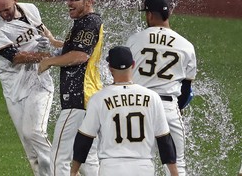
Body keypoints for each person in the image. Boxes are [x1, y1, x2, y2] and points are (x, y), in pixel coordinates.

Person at [0, 0, 63, 176]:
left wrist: (54, 43)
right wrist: (46, 54)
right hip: (12, 87)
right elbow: (15, 56)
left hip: (37, 78)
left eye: (7, 9)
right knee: (31, 151)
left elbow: (46, 35)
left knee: (33, 132)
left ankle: (63, 171)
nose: (4, 15)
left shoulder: (31, 9)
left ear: (15, 0)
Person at [70, 46, 179, 176]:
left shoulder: (98, 99)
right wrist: (174, 174)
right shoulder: (152, 97)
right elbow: (165, 141)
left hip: (111, 168)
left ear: (110, 68)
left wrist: (73, 171)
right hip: (143, 168)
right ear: (133, 64)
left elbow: (84, 140)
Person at [126, 0, 197, 176]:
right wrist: (176, 108)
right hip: (168, 108)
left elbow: (124, 79)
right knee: (177, 163)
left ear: (150, 15)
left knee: (140, 162)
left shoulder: (135, 40)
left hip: (139, 107)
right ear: (168, 14)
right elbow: (186, 90)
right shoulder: (186, 46)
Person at [38, 0, 103, 176]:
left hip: (78, 99)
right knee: (87, 159)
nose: (69, 3)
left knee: (59, 157)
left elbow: (80, 56)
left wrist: (48, 62)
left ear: (89, 1)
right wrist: (52, 41)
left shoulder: (89, 23)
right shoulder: (85, 23)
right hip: (89, 99)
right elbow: (72, 49)